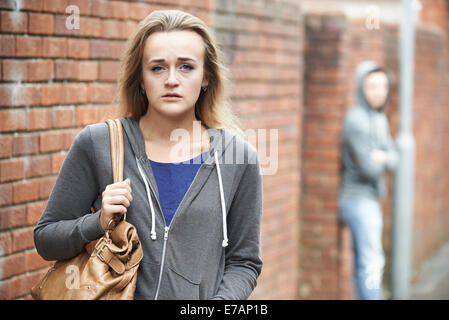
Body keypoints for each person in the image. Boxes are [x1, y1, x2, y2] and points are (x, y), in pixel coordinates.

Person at [34, 10, 263, 300]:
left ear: (206, 77)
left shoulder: (238, 158)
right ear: (140, 78)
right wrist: (98, 222)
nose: (171, 80)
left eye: (186, 67)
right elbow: (45, 240)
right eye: (157, 68)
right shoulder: (98, 143)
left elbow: (244, 262)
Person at [339, 61, 398, 300]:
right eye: (373, 86)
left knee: (365, 263)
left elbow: (395, 158)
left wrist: (382, 156)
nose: (379, 92)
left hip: (370, 200)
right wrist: (384, 156)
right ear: (361, 87)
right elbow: (369, 168)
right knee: (371, 263)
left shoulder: (379, 118)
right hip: (357, 201)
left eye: (383, 87)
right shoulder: (357, 120)